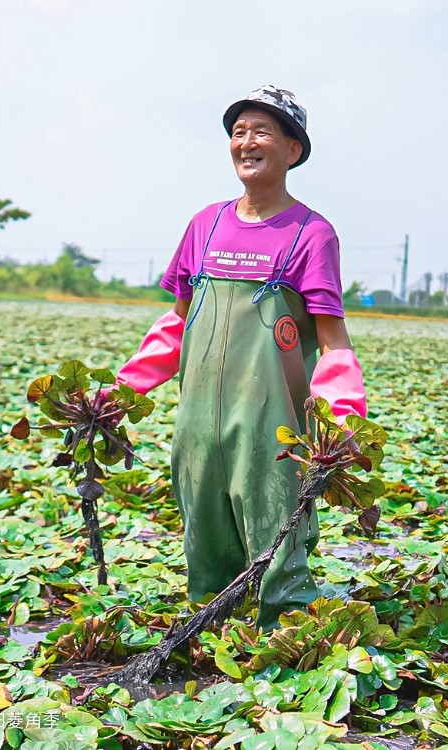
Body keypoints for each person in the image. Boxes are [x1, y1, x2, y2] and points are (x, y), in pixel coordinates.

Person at [114, 85, 367, 631]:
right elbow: (178, 322)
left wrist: (342, 421)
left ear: (293, 150)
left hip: (271, 426)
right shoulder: (205, 224)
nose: (246, 142)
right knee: (203, 539)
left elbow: (333, 342)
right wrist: (122, 391)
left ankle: (287, 640)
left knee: (277, 543)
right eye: (238, 132)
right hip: (197, 420)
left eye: (262, 132)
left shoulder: (311, 233)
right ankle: (211, 635)